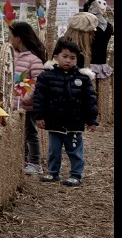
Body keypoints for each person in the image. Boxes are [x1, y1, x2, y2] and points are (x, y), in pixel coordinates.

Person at [32, 39, 98, 187]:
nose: (68, 60)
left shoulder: (83, 78)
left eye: (72, 58)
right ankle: (53, 172)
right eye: (65, 56)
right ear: (56, 56)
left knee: (74, 150)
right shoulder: (46, 77)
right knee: (54, 150)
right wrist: (39, 116)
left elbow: (90, 100)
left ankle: (76, 175)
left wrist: (91, 120)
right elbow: (40, 98)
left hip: (74, 122)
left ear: (77, 59)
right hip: (54, 120)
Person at [8, 21, 48, 175]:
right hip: (14, 103)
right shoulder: (13, 55)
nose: (9, 39)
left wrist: (26, 97)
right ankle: (23, 160)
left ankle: (35, 162)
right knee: (20, 134)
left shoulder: (34, 60)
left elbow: (38, 83)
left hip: (27, 105)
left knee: (30, 133)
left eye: (11, 36)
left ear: (18, 38)